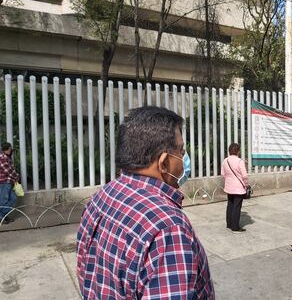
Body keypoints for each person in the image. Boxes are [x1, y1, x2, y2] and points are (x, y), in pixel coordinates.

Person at [76, 106, 214, 299]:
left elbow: (84, 271)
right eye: (181, 151)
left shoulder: (101, 197)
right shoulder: (168, 229)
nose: (184, 159)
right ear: (164, 162)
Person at [221, 143, 249, 233]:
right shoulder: (240, 161)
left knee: (230, 205)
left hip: (229, 187)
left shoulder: (225, 161)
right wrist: (246, 184)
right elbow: (244, 175)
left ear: (229, 151)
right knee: (237, 207)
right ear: (238, 151)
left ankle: (229, 224)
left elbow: (223, 174)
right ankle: (235, 227)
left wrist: (229, 180)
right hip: (239, 188)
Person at [0, 142, 19, 224]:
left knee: (13, 198)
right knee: (4, 201)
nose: (11, 151)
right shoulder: (2, 158)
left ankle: (2, 215)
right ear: (7, 149)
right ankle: (2, 216)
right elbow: (8, 170)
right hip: (4, 182)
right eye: (10, 149)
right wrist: (17, 176)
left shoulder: (6, 157)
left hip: (8, 181)